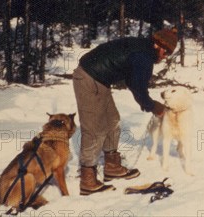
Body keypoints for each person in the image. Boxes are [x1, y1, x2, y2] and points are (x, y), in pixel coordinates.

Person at [72, 28, 178, 195]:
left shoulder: (142, 48)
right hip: (88, 77)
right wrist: (153, 106)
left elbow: (131, 80)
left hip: (100, 79)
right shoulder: (144, 56)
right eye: (166, 53)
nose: (165, 58)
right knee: (94, 128)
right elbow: (137, 85)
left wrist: (148, 104)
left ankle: (112, 166)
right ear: (159, 46)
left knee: (112, 120)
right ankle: (88, 178)